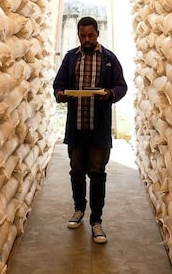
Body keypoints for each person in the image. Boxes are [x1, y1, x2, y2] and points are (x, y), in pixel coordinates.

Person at [53, 16, 127, 244]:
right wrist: (61, 94)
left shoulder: (108, 59)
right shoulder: (70, 58)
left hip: (98, 129)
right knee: (76, 171)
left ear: (97, 34)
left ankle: (96, 220)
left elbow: (121, 86)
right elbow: (58, 84)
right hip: (77, 127)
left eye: (91, 35)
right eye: (83, 36)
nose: (87, 39)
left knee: (97, 174)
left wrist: (110, 94)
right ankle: (78, 209)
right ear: (78, 36)